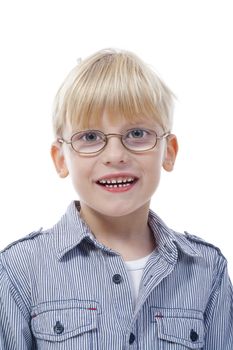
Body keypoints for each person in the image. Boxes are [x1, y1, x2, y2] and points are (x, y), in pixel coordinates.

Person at [0, 48, 232, 350]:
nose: (115, 156)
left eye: (137, 133)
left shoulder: (206, 268)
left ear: (169, 151)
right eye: (90, 137)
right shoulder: (19, 268)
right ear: (60, 159)